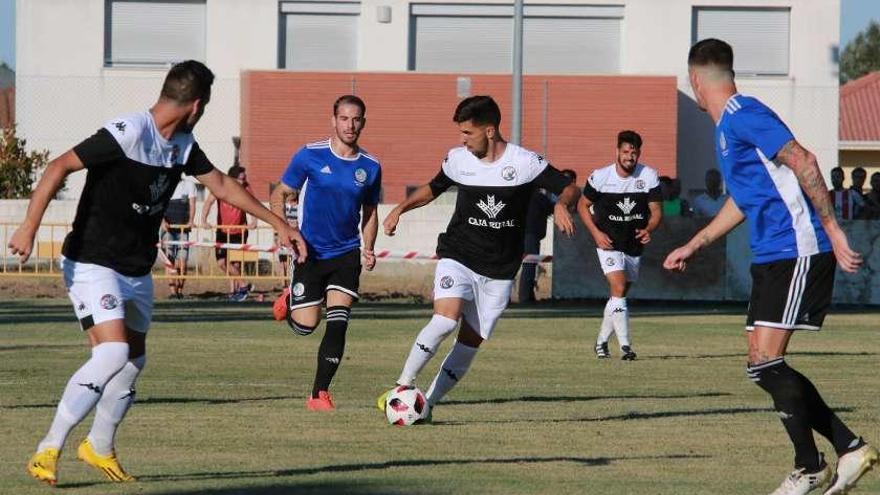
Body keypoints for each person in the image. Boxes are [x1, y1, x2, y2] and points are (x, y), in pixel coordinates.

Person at [9, 60, 306, 486]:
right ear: (197, 105)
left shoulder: (183, 144)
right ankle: (48, 448)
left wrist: (278, 223)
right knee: (111, 353)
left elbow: (221, 183)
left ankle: (99, 446)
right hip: (93, 261)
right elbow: (59, 165)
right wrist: (29, 226)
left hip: (134, 268)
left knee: (132, 360)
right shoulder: (128, 132)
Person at [664, 39, 877, 495]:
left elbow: (803, 159)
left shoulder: (743, 113)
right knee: (759, 363)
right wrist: (696, 242)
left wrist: (834, 230)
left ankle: (816, 463)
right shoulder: (726, 129)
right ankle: (841, 450)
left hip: (797, 247)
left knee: (766, 362)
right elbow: (744, 199)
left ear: (697, 81)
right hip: (771, 253)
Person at [377, 95, 579, 421]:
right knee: (444, 319)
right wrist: (399, 209)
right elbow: (433, 188)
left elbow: (569, 187)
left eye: (467, 133)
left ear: (489, 131)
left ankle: (427, 404)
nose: (462, 141)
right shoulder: (458, 159)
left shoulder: (525, 162)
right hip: (458, 255)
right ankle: (401, 387)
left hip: (500, 270)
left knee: (469, 342)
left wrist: (560, 204)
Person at [270, 95, 381, 411]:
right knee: (306, 326)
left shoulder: (370, 167)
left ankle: (319, 394)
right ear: (334, 120)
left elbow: (369, 212)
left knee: (339, 321)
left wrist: (369, 248)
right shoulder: (310, 155)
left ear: (363, 122)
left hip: (347, 253)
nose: (350, 125)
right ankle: (292, 299)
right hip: (310, 252)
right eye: (344, 118)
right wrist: (283, 230)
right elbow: (280, 193)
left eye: (356, 119)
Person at [576, 130, 662, 361]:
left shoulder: (649, 176)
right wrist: (596, 233)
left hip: (633, 245)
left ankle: (601, 342)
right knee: (619, 285)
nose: (629, 157)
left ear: (639, 154)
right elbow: (582, 205)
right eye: (625, 152)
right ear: (617, 152)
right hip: (608, 244)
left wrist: (648, 229)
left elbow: (656, 212)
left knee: (619, 295)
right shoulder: (601, 176)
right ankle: (626, 346)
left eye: (634, 153)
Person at [518, 169, 577, 303]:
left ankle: (522, 295)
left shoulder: (530, 197)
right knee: (530, 263)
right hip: (531, 233)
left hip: (527, 233)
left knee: (526, 262)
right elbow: (554, 208)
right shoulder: (539, 197)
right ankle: (525, 296)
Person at [201, 165, 256, 301]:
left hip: (239, 231)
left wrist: (253, 221)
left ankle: (238, 291)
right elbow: (208, 203)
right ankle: (244, 284)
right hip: (223, 231)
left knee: (236, 264)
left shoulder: (246, 188)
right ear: (232, 178)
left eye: (244, 179)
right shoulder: (220, 186)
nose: (243, 181)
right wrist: (203, 220)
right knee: (221, 263)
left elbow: (252, 205)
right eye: (241, 179)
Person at [160, 176, 197, 298]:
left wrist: (191, 221)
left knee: (183, 261)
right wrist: (162, 222)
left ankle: (180, 291)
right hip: (168, 229)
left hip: (183, 230)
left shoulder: (189, 184)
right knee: (169, 260)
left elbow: (192, 204)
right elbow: (159, 205)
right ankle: (172, 292)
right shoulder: (163, 184)